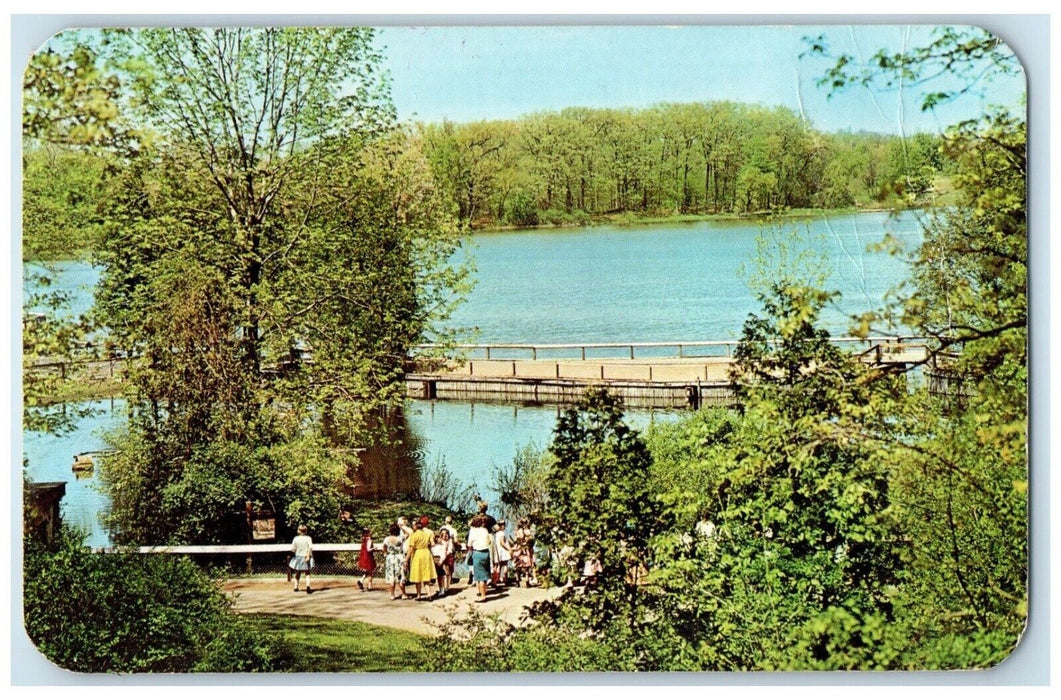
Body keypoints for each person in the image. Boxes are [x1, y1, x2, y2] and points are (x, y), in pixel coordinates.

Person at [404, 518, 436, 600]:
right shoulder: (426, 534)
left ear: (415, 526)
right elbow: (432, 543)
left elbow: (411, 548)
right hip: (426, 553)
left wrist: (406, 559)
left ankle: (418, 595)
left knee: (417, 575)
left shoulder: (414, 535)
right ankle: (429, 594)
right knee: (426, 575)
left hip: (418, 554)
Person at [466, 514, 494, 601]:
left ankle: (483, 595)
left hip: (477, 552)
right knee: (484, 573)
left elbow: (469, 544)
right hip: (485, 552)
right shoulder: (485, 530)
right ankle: (481, 591)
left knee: (479, 575)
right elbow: (488, 541)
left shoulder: (473, 531)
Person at [382, 524, 408, 600]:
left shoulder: (387, 539)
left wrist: (386, 553)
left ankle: (392, 595)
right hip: (399, 557)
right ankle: (403, 594)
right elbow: (408, 533)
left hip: (390, 557)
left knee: (391, 576)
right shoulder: (401, 538)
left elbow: (384, 548)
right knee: (401, 575)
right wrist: (402, 526)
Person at [289, 524, 314, 593]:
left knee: (298, 572)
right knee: (307, 573)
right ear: (306, 531)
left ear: (298, 531)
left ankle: (296, 586)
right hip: (306, 556)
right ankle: (308, 586)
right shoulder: (308, 538)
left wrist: (295, 551)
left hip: (298, 556)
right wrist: (308, 555)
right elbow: (310, 547)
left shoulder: (296, 538)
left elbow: (293, 549)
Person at [512, 518, 536, 587]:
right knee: (526, 566)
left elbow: (516, 540)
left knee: (519, 566)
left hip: (519, 549)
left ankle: (518, 581)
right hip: (525, 549)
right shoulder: (528, 531)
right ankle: (526, 581)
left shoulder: (518, 531)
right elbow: (531, 540)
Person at [431, 527, 455, 596]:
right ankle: (442, 588)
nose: (444, 535)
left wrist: (441, 560)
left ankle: (446, 587)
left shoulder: (447, 542)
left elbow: (448, 551)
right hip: (437, 559)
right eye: (443, 534)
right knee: (440, 575)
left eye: (446, 534)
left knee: (446, 573)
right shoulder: (435, 545)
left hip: (445, 558)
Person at [493, 521, 512, 586]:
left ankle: (497, 578)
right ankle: (505, 579)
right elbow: (502, 543)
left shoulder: (496, 534)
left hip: (498, 551)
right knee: (505, 565)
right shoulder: (502, 533)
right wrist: (509, 548)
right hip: (503, 551)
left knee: (499, 565)